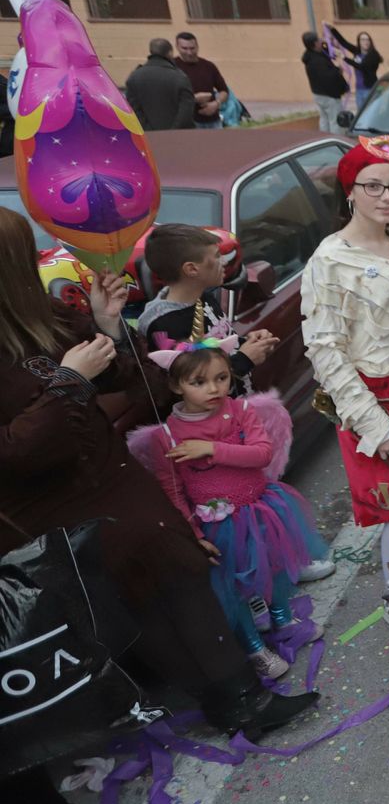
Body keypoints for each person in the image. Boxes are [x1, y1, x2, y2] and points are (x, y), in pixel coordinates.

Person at [0, 208, 319, 751]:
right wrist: (71, 381)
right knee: (143, 594)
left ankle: (242, 698)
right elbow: (15, 453)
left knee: (183, 572)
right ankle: (220, 698)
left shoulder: (50, 316)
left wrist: (106, 327)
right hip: (50, 508)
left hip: (110, 476)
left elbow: (148, 382)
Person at [302, 137, 389, 614]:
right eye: (373, 186)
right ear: (350, 192)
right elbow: (325, 350)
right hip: (378, 401)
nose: (386, 196)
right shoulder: (330, 260)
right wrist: (372, 423)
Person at [138, 343, 325, 679]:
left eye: (221, 378)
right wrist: (194, 535)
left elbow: (261, 454)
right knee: (234, 586)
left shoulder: (239, 410)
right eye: (199, 382)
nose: (214, 389)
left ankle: (282, 620)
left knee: (276, 565)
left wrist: (211, 448)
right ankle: (254, 647)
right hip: (219, 524)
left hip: (261, 508)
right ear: (176, 386)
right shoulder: (165, 436)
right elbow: (173, 491)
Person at [138, 224, 276, 398]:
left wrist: (247, 343)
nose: (224, 262)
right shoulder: (165, 325)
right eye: (217, 256)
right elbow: (194, 384)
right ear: (192, 269)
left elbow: (216, 345)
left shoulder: (204, 297)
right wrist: (245, 359)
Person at [125, 38, 196, 131]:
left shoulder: (134, 77)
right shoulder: (180, 77)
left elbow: (133, 110)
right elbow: (186, 111)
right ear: (170, 53)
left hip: (148, 137)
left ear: (151, 52)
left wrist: (149, 130)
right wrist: (173, 132)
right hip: (179, 137)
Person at [172, 32, 229, 130]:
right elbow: (167, 96)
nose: (189, 52)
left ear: (197, 46)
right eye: (184, 48)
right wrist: (193, 99)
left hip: (213, 121)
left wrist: (216, 104)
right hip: (188, 123)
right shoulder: (172, 67)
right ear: (177, 47)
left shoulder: (208, 66)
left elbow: (224, 90)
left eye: (192, 48)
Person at [302, 31, 349, 133]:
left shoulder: (309, 56)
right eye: (318, 40)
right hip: (329, 96)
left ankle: (324, 139)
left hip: (318, 94)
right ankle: (335, 143)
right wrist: (339, 71)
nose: (321, 41)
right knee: (335, 121)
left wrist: (329, 41)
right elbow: (329, 77)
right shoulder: (318, 61)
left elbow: (328, 51)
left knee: (324, 119)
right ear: (315, 44)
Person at [328, 26, 383, 110]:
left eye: (367, 39)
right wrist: (332, 29)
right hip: (359, 90)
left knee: (371, 114)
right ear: (359, 42)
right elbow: (344, 43)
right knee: (361, 116)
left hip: (370, 89)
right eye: (363, 39)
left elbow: (361, 67)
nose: (366, 42)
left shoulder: (373, 55)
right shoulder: (357, 51)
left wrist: (344, 57)